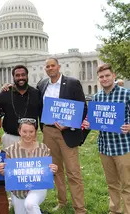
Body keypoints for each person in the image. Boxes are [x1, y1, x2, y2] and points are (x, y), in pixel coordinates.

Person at [37, 57, 87, 213]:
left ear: (58, 67)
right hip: (48, 131)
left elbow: (83, 108)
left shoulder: (72, 83)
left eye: (53, 65)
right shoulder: (42, 85)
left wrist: (69, 123)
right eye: (47, 66)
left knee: (73, 171)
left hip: (66, 131)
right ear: (45, 69)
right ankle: (62, 201)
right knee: (56, 169)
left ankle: (79, 208)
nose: (50, 68)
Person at [83, 63, 130, 214]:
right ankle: (115, 210)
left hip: (123, 146)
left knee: (127, 184)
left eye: (107, 76)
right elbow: (94, 121)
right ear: (98, 79)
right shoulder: (96, 98)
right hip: (105, 146)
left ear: (114, 76)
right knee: (112, 183)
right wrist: (88, 123)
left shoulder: (126, 94)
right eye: (101, 77)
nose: (104, 79)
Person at [0, 118, 58, 214]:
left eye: (31, 131)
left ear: (35, 132)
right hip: (18, 191)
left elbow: (47, 172)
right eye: (24, 131)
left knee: (30, 204)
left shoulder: (43, 149)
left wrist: (53, 170)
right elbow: (10, 174)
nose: (28, 135)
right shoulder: (10, 151)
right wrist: (3, 171)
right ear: (19, 131)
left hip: (38, 187)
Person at [0, 65, 41, 149]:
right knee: (9, 162)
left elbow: (41, 113)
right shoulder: (5, 93)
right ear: (13, 77)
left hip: (30, 138)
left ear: (27, 76)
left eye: (23, 75)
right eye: (17, 75)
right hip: (10, 137)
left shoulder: (36, 93)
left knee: (29, 162)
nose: (21, 78)